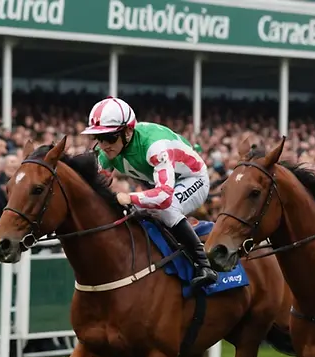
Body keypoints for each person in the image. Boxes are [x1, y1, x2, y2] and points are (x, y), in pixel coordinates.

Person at [82, 96, 218, 289]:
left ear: (128, 132)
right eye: (98, 138)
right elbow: (96, 188)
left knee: (167, 208)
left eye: (109, 137)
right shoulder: (108, 152)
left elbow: (163, 196)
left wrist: (129, 196)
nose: (104, 145)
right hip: (160, 180)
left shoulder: (154, 147)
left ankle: (203, 265)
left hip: (192, 179)